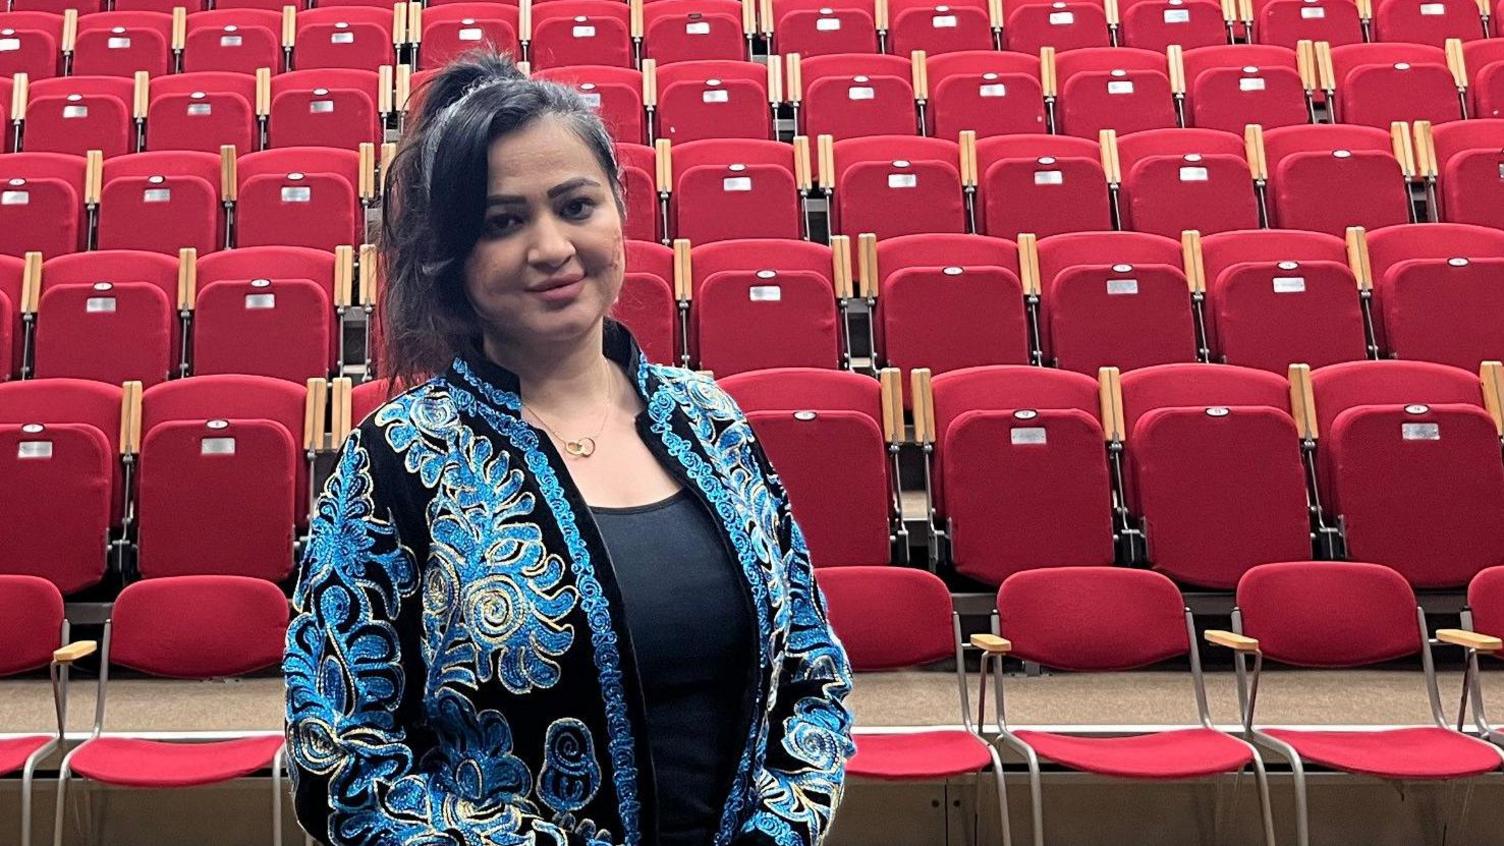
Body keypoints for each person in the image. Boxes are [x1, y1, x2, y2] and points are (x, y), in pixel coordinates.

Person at [282, 49, 855, 846]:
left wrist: (778, 831)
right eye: (502, 222)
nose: (551, 247)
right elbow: (340, 762)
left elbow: (813, 681)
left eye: (576, 205)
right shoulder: (397, 459)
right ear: (453, 257)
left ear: (619, 210)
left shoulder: (712, 423)